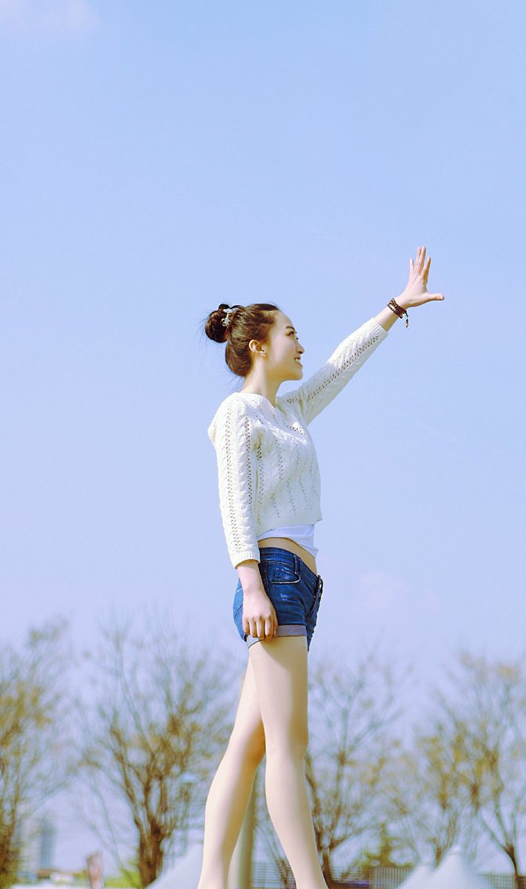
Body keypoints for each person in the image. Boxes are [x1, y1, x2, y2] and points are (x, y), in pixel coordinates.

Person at [198, 247, 444, 889]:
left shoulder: (291, 412)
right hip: (272, 578)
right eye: (290, 334)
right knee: (288, 746)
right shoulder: (238, 414)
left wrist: (395, 309)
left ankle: (210, 882)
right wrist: (251, 582)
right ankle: (311, 884)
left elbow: (341, 364)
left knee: (247, 748)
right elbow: (234, 503)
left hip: (300, 584)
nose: (301, 345)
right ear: (257, 345)